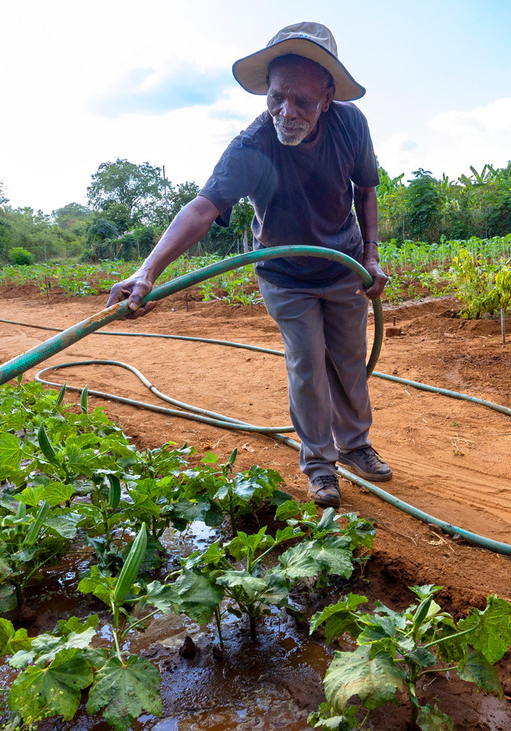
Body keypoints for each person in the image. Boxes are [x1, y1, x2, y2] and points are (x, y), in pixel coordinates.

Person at [106, 22, 391, 508]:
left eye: (301, 101)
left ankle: (355, 444)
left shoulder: (350, 126)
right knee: (307, 364)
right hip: (284, 275)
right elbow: (202, 207)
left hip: (342, 265)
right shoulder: (252, 146)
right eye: (277, 97)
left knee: (347, 360)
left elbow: (366, 190)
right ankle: (319, 465)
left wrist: (370, 256)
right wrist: (147, 270)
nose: (287, 112)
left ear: (327, 96)